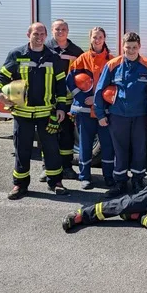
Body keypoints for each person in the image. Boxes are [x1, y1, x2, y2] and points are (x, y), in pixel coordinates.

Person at [0, 22, 68, 199]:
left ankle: (56, 182)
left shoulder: (53, 56)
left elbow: (60, 84)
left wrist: (61, 107)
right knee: (22, 150)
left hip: (46, 113)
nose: (40, 37)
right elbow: (1, 77)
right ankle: (20, 185)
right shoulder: (17, 55)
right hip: (22, 113)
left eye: (42, 34)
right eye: (36, 34)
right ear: (29, 35)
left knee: (51, 149)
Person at [94, 32, 147, 198]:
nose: (131, 50)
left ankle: (137, 180)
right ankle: (120, 182)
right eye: (128, 47)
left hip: (140, 116)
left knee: (139, 149)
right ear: (123, 47)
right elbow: (100, 90)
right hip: (118, 115)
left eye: (134, 47)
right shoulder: (113, 65)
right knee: (120, 150)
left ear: (139, 47)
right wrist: (100, 114)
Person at [66, 27, 115, 190]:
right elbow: (70, 81)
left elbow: (115, 86)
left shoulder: (112, 60)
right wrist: (81, 97)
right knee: (85, 145)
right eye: (95, 37)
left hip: (104, 112)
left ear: (104, 38)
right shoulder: (81, 59)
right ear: (90, 39)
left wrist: (99, 99)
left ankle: (109, 176)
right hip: (85, 112)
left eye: (100, 37)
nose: (97, 40)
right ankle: (84, 176)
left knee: (107, 146)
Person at [44, 19, 84, 181]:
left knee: (67, 135)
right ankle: (46, 167)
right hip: (47, 100)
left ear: (68, 31)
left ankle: (67, 167)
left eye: (63, 29)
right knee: (47, 135)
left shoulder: (76, 51)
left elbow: (83, 76)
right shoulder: (44, 49)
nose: (60, 32)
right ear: (52, 31)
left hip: (68, 100)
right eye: (57, 29)